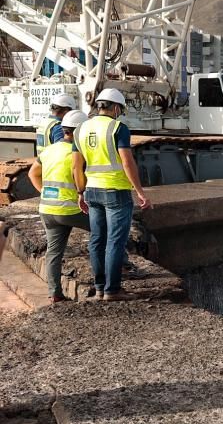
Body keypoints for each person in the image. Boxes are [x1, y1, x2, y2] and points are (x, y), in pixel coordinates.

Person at [72, 88, 151, 302]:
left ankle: (99, 288)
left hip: (92, 191)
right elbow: (127, 161)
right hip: (116, 192)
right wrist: (140, 192)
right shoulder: (118, 128)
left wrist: (80, 192)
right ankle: (112, 290)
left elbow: (76, 167)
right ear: (116, 107)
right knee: (115, 241)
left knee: (97, 240)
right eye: (121, 110)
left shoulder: (80, 129)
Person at [28, 110, 89, 303]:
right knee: (106, 231)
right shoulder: (78, 152)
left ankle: (55, 292)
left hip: (47, 209)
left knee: (53, 252)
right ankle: (115, 271)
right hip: (71, 209)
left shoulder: (49, 150)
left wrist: (44, 192)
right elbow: (80, 178)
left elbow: (32, 174)